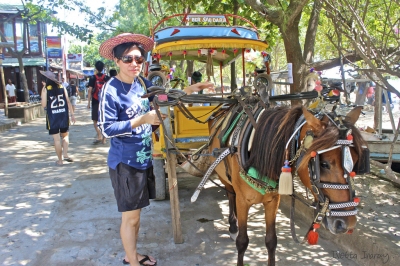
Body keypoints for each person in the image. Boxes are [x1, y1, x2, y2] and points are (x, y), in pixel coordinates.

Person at [97, 33, 214, 266]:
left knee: (135, 216)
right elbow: (106, 128)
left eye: (139, 60)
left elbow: (165, 96)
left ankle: (131, 254)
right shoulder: (111, 90)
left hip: (142, 160)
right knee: (130, 218)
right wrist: (143, 119)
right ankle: (132, 261)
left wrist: (194, 88)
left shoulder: (142, 84)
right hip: (125, 164)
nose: (134, 64)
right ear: (117, 61)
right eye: (128, 59)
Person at [40, 70, 76, 166]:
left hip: (52, 117)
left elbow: (43, 104)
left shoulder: (45, 89)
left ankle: (60, 160)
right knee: (65, 136)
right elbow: (68, 101)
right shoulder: (61, 87)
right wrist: (72, 114)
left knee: (56, 140)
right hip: (63, 116)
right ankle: (65, 154)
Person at [87, 61, 109, 144]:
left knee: (95, 120)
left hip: (95, 101)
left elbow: (89, 90)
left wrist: (88, 102)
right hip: (105, 102)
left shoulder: (92, 78)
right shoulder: (107, 78)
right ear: (103, 68)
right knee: (105, 119)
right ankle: (104, 138)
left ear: (96, 68)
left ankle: (99, 135)